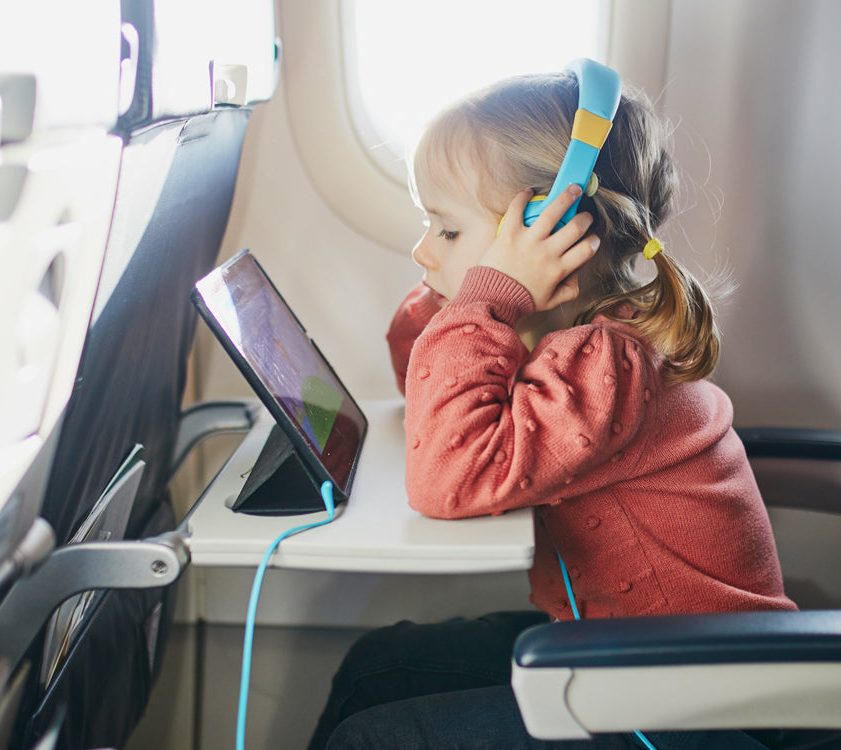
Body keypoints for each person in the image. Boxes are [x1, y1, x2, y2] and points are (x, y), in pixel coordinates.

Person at [308, 66, 796, 750]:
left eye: (446, 231)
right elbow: (426, 394)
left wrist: (484, 298)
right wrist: (474, 291)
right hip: (627, 657)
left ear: (556, 228)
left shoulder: (608, 365)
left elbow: (449, 475)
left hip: (695, 701)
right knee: (378, 667)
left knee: (378, 739)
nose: (421, 251)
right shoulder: (559, 335)